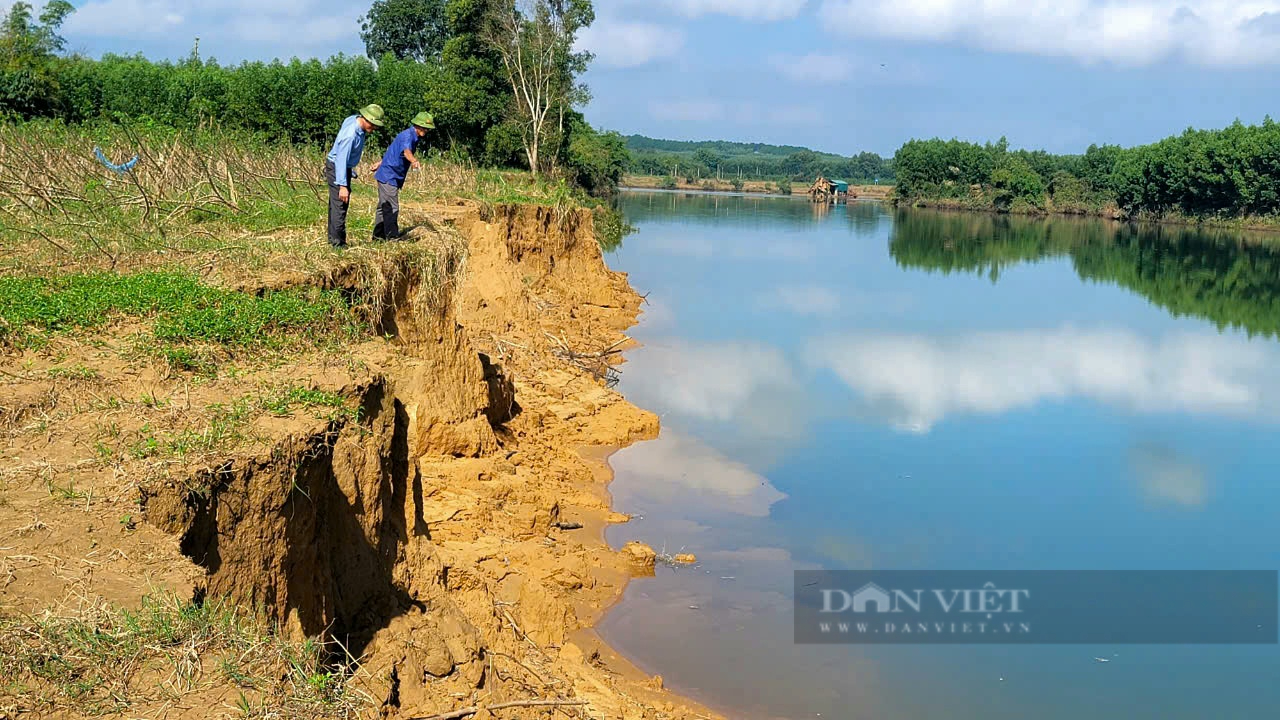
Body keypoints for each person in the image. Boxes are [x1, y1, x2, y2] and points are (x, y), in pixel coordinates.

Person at [324, 104, 385, 248]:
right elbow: (340, 158)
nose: (375, 128)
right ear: (366, 119)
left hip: (343, 167)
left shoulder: (353, 119)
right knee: (340, 204)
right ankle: (338, 244)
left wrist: (349, 169)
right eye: (374, 125)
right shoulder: (350, 135)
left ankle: (333, 238)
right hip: (337, 168)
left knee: (336, 204)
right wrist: (343, 185)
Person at [372, 111, 435, 241]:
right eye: (424, 127)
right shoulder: (408, 136)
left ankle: (378, 237)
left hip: (388, 174)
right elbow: (406, 152)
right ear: (417, 125)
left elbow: (393, 151)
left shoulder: (410, 136)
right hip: (389, 176)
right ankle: (392, 238)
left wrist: (380, 163)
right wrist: (414, 161)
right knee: (391, 207)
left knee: (383, 207)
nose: (426, 130)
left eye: (428, 129)